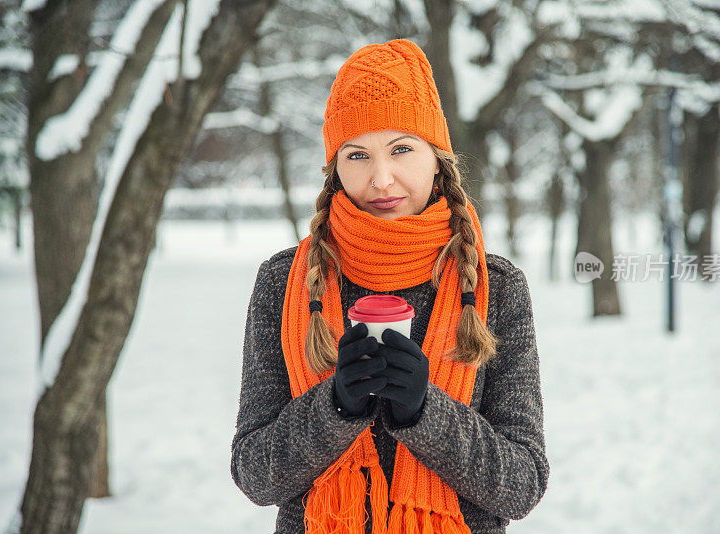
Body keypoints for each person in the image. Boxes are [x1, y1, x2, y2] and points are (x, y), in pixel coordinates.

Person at [230, 38, 549, 533]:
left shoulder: (494, 287)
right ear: (335, 166)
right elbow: (255, 474)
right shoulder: (286, 281)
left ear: (437, 157)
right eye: (357, 155)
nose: (381, 179)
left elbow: (522, 482)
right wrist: (336, 407)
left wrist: (426, 411)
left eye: (401, 148)